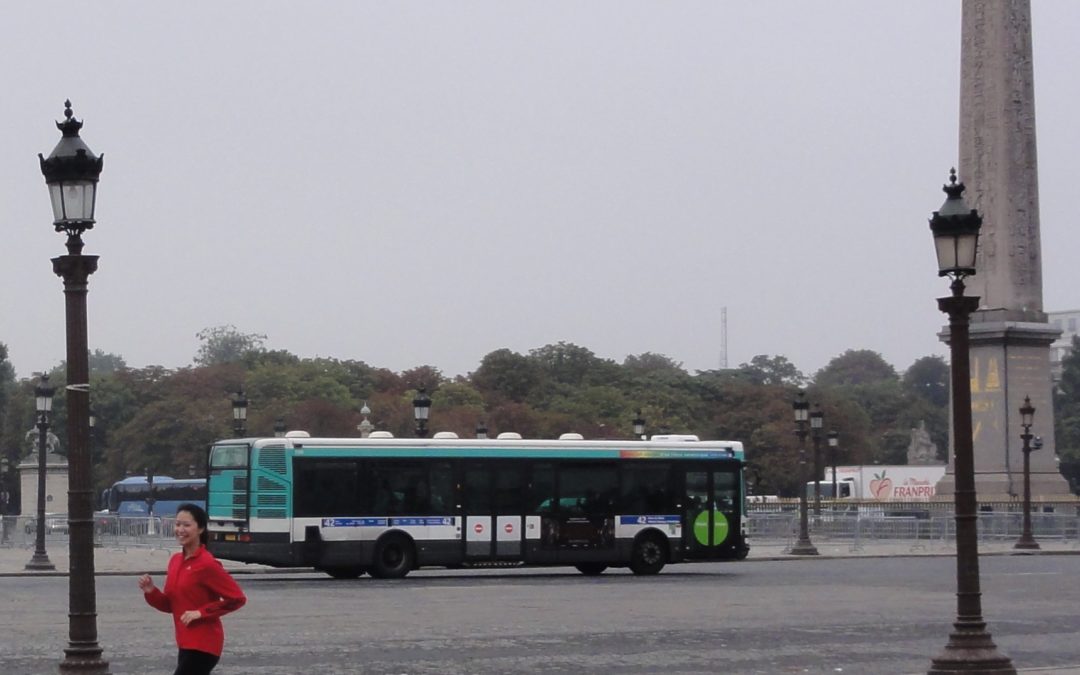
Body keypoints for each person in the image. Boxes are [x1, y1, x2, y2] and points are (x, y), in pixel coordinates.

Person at [138, 503, 246, 675]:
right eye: (177, 524)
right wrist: (151, 591)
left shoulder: (207, 564)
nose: (180, 529)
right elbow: (170, 605)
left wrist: (201, 612)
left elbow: (237, 599)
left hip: (205, 643)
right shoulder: (175, 561)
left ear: (200, 529)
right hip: (184, 641)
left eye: (186, 525)